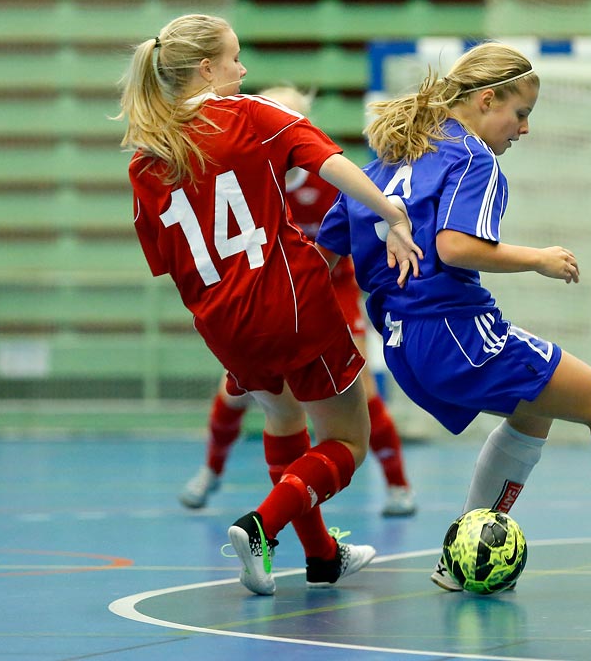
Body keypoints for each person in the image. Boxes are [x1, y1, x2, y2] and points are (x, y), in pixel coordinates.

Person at [318, 41, 591, 596]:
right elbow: (453, 247)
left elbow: (323, 250)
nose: (523, 130)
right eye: (521, 114)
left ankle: (458, 559)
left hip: (402, 345)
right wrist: (539, 259)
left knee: (532, 414)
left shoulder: (385, 161)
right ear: (487, 99)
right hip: (456, 331)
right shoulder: (472, 157)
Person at [118, 15, 423, 596]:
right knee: (347, 442)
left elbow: (165, 261)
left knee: (283, 420)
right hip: (291, 304)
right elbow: (331, 163)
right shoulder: (253, 115)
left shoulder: (146, 160)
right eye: (235, 58)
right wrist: (394, 214)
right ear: (206, 68)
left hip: (222, 324)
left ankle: (322, 556)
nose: (244, 69)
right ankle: (262, 526)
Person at [178, 85, 418, 520]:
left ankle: (398, 483)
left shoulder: (327, 178)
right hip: (265, 296)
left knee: (359, 388)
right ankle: (211, 470)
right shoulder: (241, 175)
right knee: (236, 392)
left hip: (328, 287)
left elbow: (351, 236)